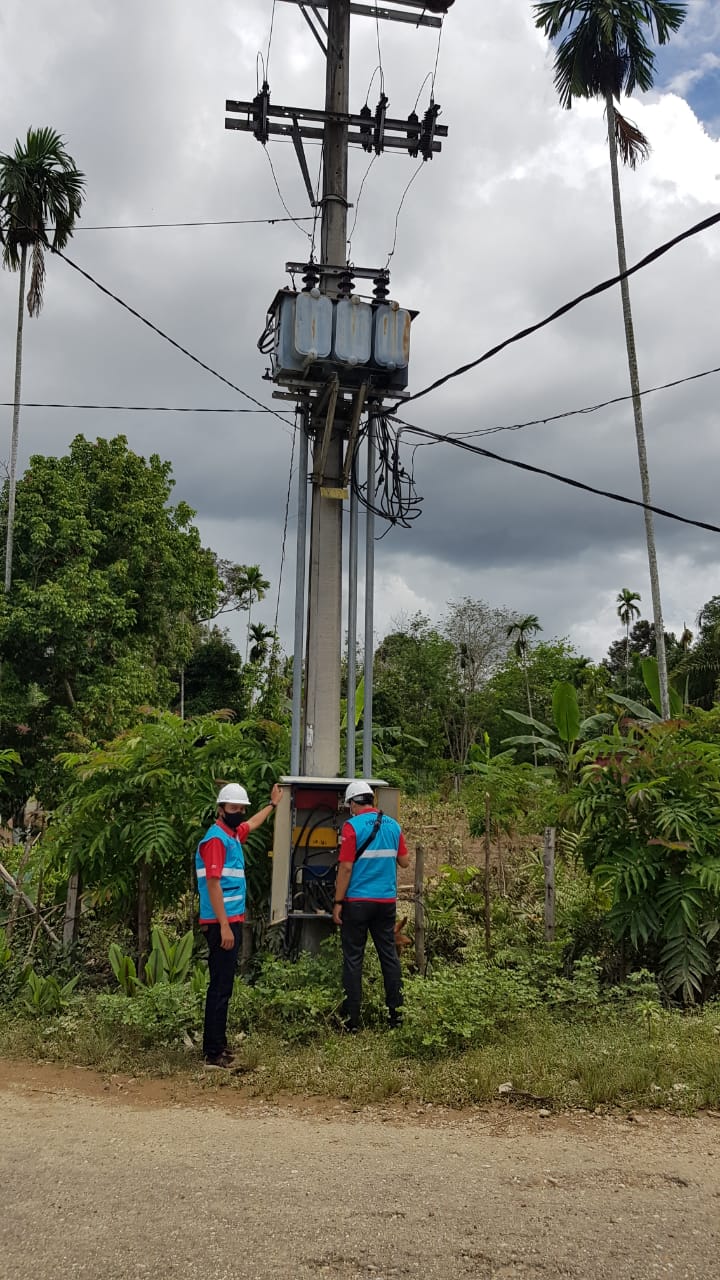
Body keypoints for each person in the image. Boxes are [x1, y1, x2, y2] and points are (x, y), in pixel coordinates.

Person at [196, 780, 282, 1066]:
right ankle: (213, 1051)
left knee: (225, 985)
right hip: (221, 923)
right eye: (234, 808)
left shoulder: (231, 835)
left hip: (230, 920)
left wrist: (272, 805)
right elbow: (213, 884)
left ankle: (218, 1044)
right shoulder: (216, 840)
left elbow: (252, 824)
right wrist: (223, 926)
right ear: (221, 809)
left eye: (241, 809)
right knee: (220, 986)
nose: (239, 813)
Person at [332, 780, 410, 1031]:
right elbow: (405, 862)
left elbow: (345, 868)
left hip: (357, 902)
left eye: (350, 806)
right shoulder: (393, 825)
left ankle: (352, 1022)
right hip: (385, 902)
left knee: (354, 959)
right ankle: (396, 1017)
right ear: (372, 800)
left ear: (353, 804)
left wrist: (337, 902)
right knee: (389, 956)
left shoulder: (351, 827)